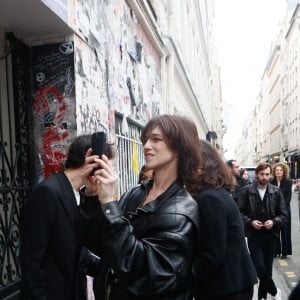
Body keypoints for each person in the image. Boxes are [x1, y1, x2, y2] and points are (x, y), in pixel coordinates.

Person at [78, 114, 201, 300]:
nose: (146, 146)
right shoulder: (136, 193)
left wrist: (110, 204)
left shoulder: (182, 212)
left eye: (156, 139)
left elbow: (146, 275)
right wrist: (92, 195)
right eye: (145, 140)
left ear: (178, 148)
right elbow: (100, 243)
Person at [20, 134, 110, 300]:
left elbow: (77, 249)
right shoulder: (47, 192)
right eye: (106, 163)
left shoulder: (83, 195)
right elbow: (32, 262)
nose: (109, 171)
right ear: (92, 161)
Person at [193, 140, 257, 300]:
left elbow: (212, 254)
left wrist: (185, 276)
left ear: (201, 166)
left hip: (226, 288)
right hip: (234, 285)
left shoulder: (208, 198)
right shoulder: (216, 193)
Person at [238, 162, 287, 300]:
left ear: (270, 175)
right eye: (262, 174)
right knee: (259, 268)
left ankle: (262, 297)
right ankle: (274, 291)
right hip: (254, 235)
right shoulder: (246, 191)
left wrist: (274, 221)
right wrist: (251, 222)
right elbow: (239, 212)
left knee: (268, 269)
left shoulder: (276, 192)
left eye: (267, 174)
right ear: (257, 174)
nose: (265, 177)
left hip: (271, 235)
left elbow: (283, 215)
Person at [270, 162, 292, 259]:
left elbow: (288, 198)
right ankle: (276, 251)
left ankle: (285, 252)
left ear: (284, 172)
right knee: (275, 231)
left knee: (285, 231)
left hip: (285, 210)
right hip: (274, 210)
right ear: (274, 172)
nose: (279, 172)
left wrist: (281, 208)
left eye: (280, 170)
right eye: (277, 170)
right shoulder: (271, 182)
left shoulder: (288, 182)